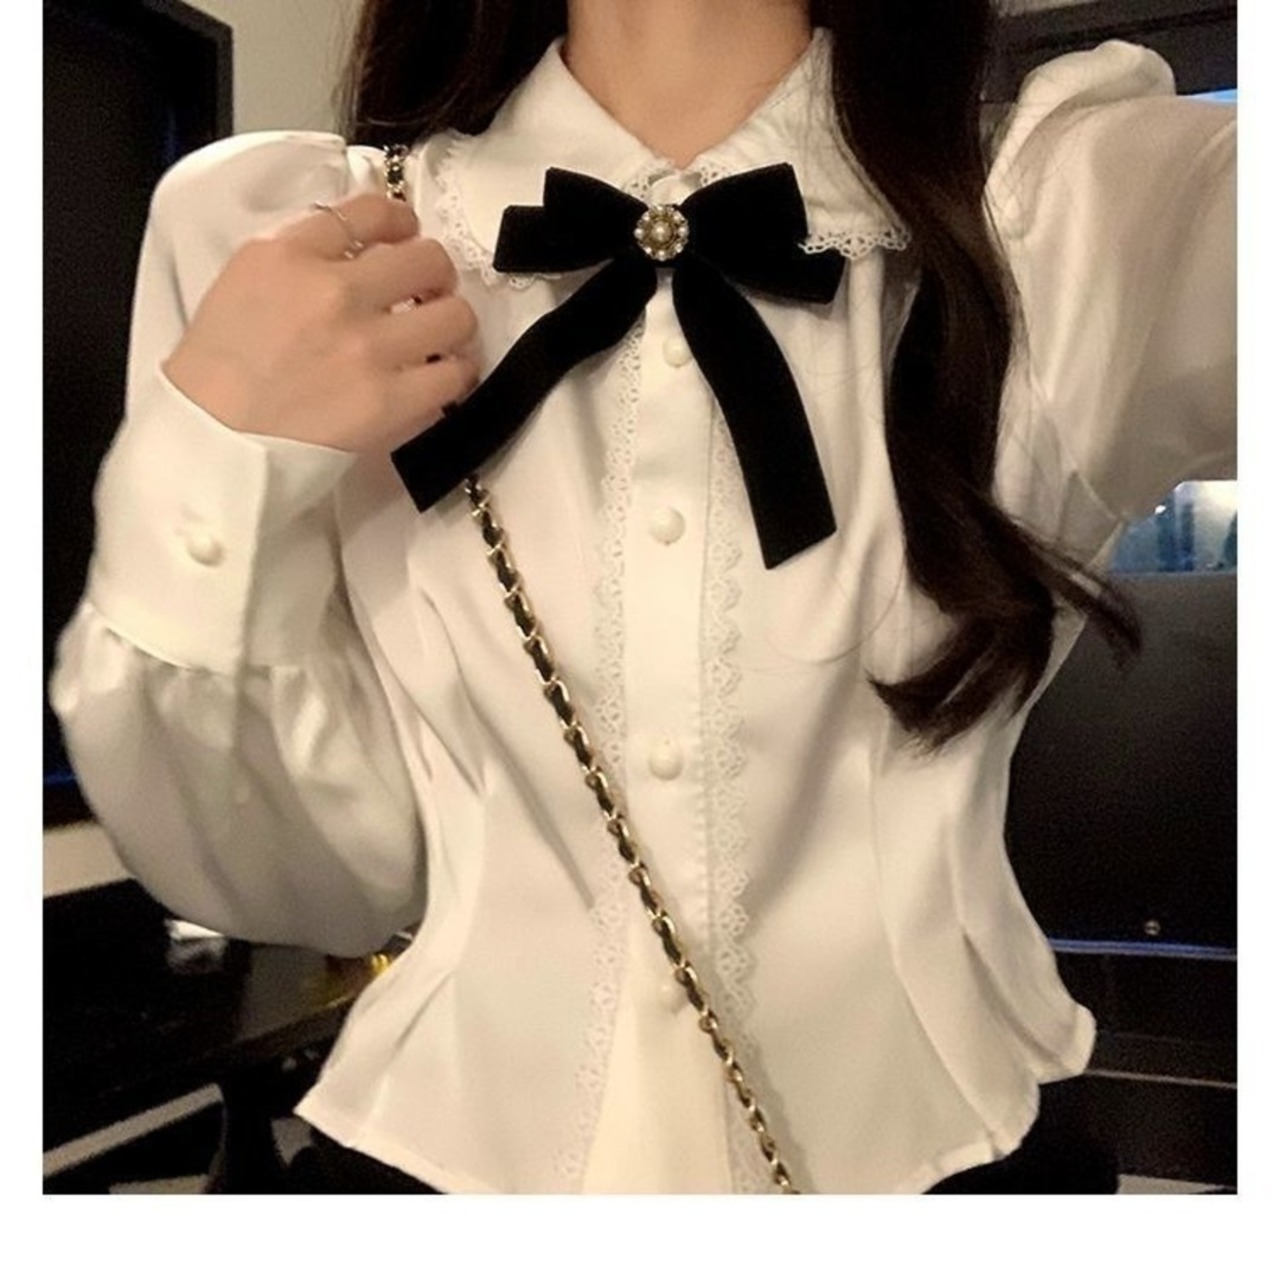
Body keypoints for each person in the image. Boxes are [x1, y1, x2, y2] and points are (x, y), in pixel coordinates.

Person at [50, 0, 1235, 1194]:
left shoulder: (1067, 214)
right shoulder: (294, 243)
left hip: (946, 1164)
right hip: (435, 1166)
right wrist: (213, 465)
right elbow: (314, 880)